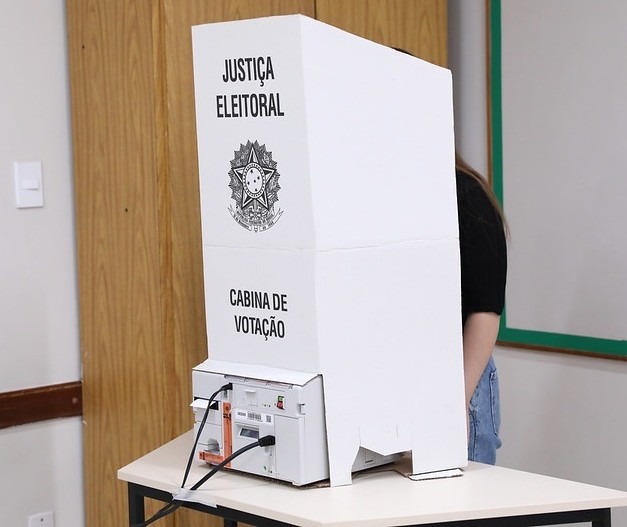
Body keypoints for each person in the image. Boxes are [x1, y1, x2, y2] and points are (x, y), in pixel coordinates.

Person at [455, 153, 508, 464]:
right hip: (405, 373)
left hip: (462, 377)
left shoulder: (465, 194)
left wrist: (454, 402)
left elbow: (486, 309)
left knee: (457, 508)